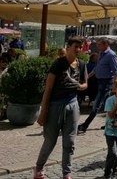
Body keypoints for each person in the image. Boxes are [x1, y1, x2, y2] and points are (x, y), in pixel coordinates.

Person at [34, 37, 88, 179]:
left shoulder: (82, 64)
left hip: (73, 105)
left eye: (80, 47)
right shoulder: (58, 64)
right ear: (68, 46)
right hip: (55, 106)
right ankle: (39, 167)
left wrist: (78, 86)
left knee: (69, 142)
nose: (78, 49)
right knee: (50, 141)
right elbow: (48, 89)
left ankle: (66, 174)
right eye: (76, 46)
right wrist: (43, 112)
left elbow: (85, 84)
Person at [78, 38, 117, 134]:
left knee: (96, 105)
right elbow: (97, 68)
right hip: (99, 82)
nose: (97, 46)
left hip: (106, 83)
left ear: (105, 45)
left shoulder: (111, 55)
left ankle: (85, 125)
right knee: (109, 105)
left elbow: (115, 71)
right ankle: (111, 123)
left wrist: (115, 85)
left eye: (99, 45)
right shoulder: (100, 53)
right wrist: (87, 77)